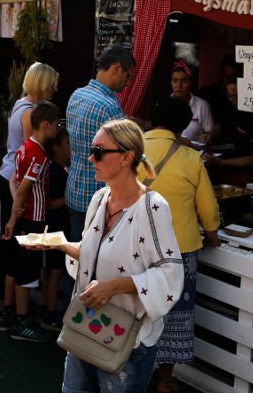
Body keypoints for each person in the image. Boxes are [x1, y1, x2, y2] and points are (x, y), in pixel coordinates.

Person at [35, 119, 184, 393]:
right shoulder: (100, 199)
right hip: (84, 329)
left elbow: (170, 274)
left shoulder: (151, 207)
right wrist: (60, 244)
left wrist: (113, 287)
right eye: (92, 149)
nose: (91, 158)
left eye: (100, 151)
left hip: (125, 341)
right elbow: (96, 258)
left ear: (127, 157)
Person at [138, 96, 221, 393]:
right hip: (179, 250)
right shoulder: (190, 158)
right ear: (182, 125)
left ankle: (131, 373)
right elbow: (208, 209)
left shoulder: (133, 148)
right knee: (173, 316)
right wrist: (212, 235)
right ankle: (163, 381)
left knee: (137, 309)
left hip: (137, 246)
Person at [0, 61, 59, 312]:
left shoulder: (20, 104)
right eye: (52, 87)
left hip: (8, 175)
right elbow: (29, 156)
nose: (54, 91)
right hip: (18, 182)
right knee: (14, 246)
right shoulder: (30, 112)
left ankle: (5, 301)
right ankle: (8, 303)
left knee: (10, 244)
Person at [0, 101, 61, 342]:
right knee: (27, 272)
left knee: (14, 267)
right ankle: (22, 322)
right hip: (33, 221)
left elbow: (13, 182)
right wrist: (17, 213)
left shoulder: (24, 147)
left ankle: (8, 314)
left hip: (24, 218)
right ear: (46, 125)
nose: (57, 129)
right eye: (56, 125)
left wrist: (15, 212)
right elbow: (24, 187)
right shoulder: (38, 155)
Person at [65, 45, 134, 243]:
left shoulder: (76, 95)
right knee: (96, 265)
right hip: (98, 200)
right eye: (128, 76)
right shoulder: (110, 107)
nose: (127, 83)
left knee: (76, 260)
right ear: (116, 68)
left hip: (74, 190)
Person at [204, 76, 253, 187]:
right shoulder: (232, 109)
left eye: (236, 96)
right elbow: (220, 125)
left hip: (246, 180)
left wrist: (221, 163)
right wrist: (210, 135)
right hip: (221, 175)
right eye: (229, 95)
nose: (231, 99)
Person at [40, 125, 71, 332]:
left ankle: (46, 308)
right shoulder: (57, 172)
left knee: (52, 271)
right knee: (55, 270)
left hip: (54, 226)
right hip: (56, 227)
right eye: (68, 143)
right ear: (57, 148)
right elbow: (51, 203)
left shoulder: (56, 169)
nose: (71, 147)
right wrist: (70, 197)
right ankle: (51, 314)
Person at [169, 60, 214, 145]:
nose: (179, 85)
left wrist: (207, 137)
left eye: (184, 81)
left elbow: (210, 136)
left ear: (191, 83)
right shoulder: (164, 105)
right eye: (175, 81)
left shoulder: (202, 106)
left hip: (195, 152)